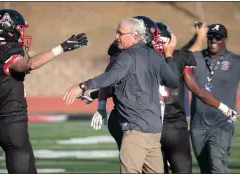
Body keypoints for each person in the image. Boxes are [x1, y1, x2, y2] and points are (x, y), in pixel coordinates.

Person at [79, 20, 238, 174]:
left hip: (147, 125)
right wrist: (225, 108)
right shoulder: (173, 57)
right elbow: (195, 89)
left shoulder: (139, 56)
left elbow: (116, 82)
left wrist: (96, 97)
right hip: (171, 126)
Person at [63, 17, 179, 173]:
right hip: (154, 132)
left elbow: (109, 77)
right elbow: (173, 81)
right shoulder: (155, 56)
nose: (116, 37)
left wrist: (82, 86)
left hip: (135, 131)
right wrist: (169, 55)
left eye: (120, 33)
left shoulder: (127, 56)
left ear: (135, 37)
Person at [0, 9, 88, 174]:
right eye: (19, 28)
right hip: (12, 123)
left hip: (4, 122)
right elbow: (27, 65)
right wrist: (61, 48)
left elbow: (11, 72)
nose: (22, 33)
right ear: (7, 29)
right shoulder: (7, 52)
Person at [188, 23, 240, 173]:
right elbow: (181, 58)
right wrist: (196, 36)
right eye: (210, 36)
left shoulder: (235, 61)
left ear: (225, 39)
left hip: (222, 123)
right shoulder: (197, 57)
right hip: (198, 125)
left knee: (217, 166)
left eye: (218, 37)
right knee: (206, 169)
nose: (214, 40)